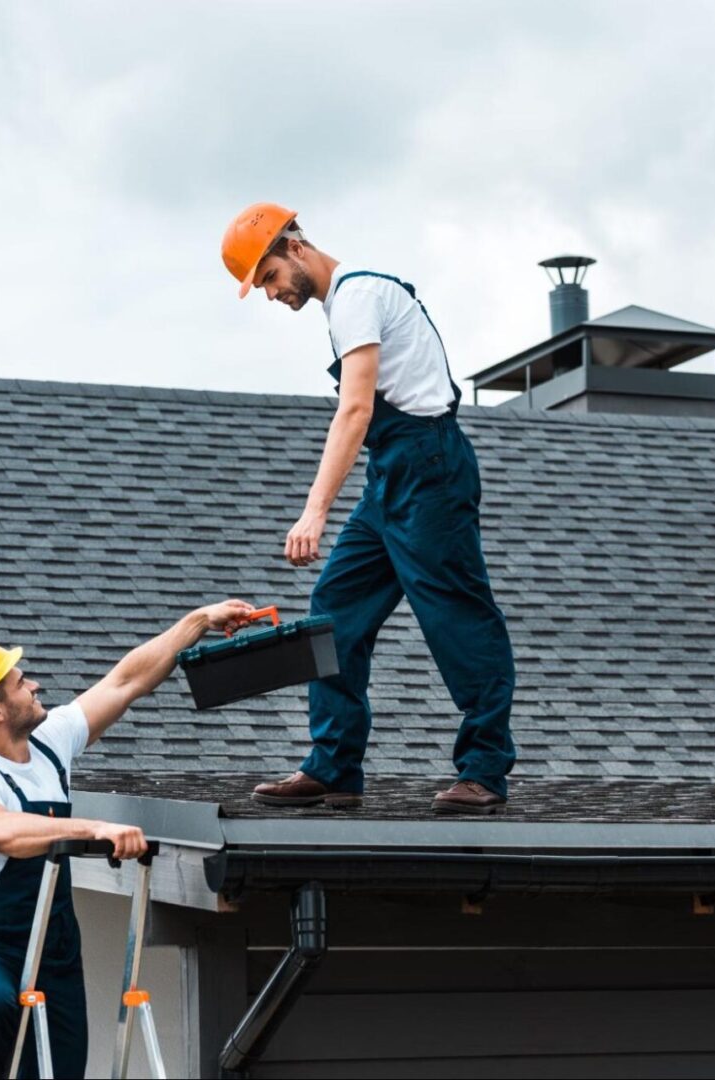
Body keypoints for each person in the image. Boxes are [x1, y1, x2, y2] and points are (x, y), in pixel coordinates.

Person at [221, 202, 517, 814]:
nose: (273, 294)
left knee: (457, 616)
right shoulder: (346, 305)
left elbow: (355, 411)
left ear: (295, 248)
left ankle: (485, 771)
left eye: (270, 277)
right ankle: (333, 768)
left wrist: (314, 511)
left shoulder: (357, 297)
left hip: (428, 470)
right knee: (335, 609)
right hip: (393, 472)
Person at [0, 599, 256, 1078]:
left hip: (57, 949)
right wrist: (93, 827)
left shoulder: (49, 743)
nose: (34, 683)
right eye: (20, 682)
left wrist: (200, 621)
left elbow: (126, 681)